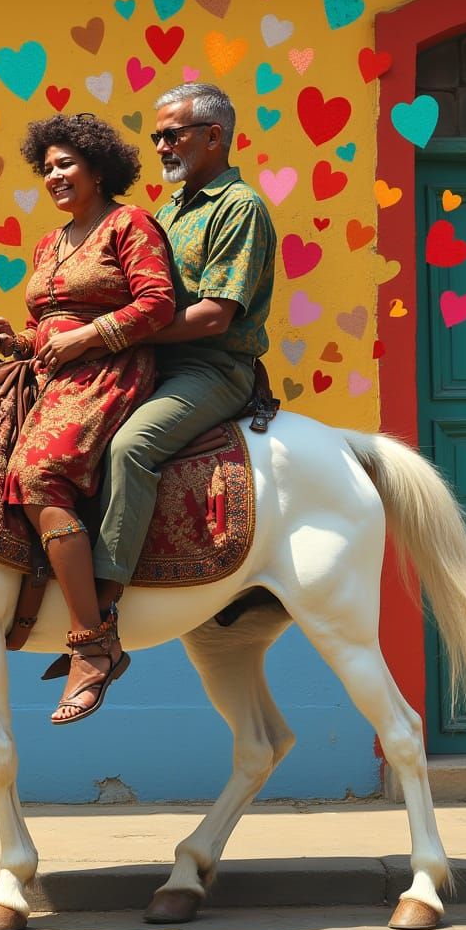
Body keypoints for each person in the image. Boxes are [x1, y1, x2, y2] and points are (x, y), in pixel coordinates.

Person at [0, 113, 176, 725]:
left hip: (109, 372)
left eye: (66, 164)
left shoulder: (129, 223)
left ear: (98, 168)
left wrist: (88, 337)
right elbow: (44, 328)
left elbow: (158, 303)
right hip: (52, 376)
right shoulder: (49, 242)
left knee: (37, 475)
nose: (55, 176)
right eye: (47, 168)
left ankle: (92, 645)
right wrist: (14, 340)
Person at [91, 83, 277, 618]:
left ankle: (101, 612)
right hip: (151, 361)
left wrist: (120, 333)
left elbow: (214, 315)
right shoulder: (168, 211)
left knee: (131, 447)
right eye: (156, 137)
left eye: (172, 135)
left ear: (213, 136)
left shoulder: (240, 208)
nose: (161, 147)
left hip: (212, 367)